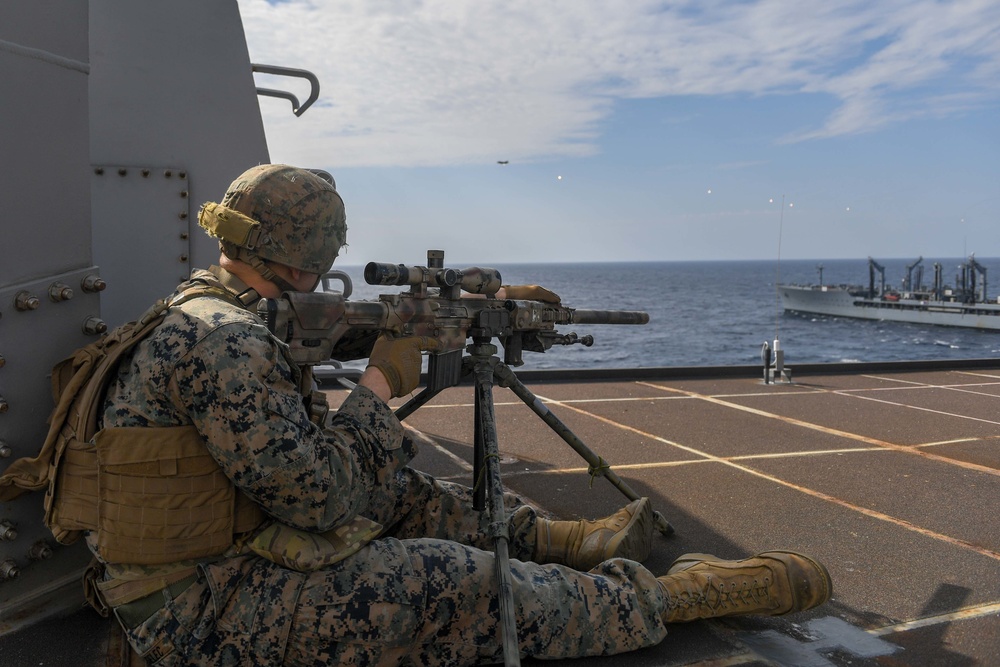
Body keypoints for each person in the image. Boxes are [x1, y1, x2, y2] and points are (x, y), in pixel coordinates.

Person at [68, 164, 831, 665]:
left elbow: (349, 320)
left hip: (223, 544)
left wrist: (483, 303)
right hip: (197, 610)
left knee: (398, 488)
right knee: (453, 585)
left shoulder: (221, 304)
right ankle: (663, 595)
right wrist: (380, 381)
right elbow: (322, 493)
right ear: (304, 252)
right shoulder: (225, 342)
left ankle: (559, 541)